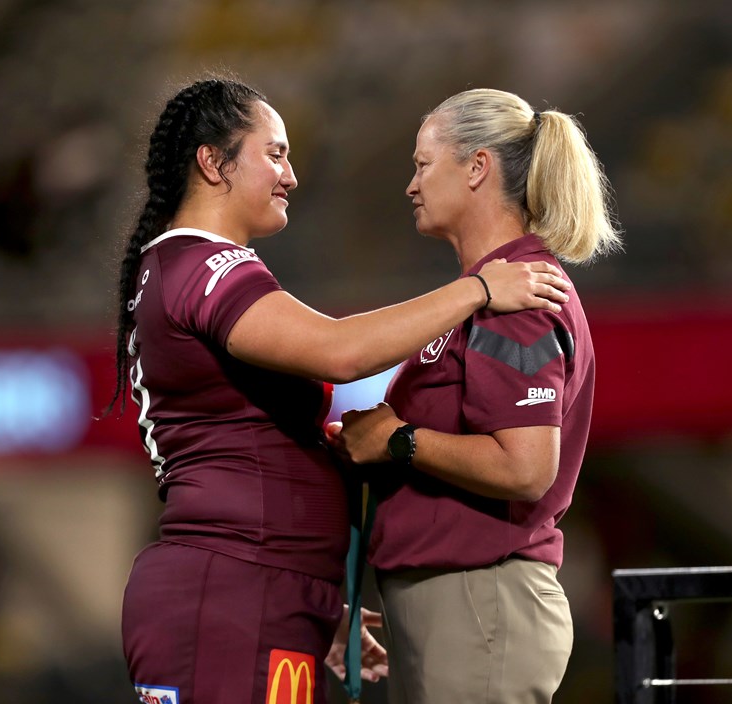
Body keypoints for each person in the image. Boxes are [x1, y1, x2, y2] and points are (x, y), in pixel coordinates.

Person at [108, 77, 572, 704]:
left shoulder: (180, 269)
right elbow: (343, 351)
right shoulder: (202, 264)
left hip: (258, 589)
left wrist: (320, 594)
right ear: (213, 163)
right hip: (235, 589)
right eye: (274, 153)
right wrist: (478, 289)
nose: (291, 175)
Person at [327, 88, 622, 704]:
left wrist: (396, 440)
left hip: (480, 599)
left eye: (422, 164)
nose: (411, 185)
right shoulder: (486, 294)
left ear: (476, 167)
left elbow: (525, 468)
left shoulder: (518, 298)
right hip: (454, 602)